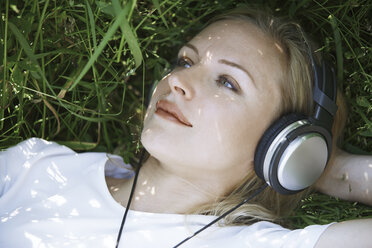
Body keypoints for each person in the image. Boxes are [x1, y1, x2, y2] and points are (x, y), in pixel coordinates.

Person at [1, 8, 371, 248]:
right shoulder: (38, 166)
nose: (178, 79)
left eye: (227, 82)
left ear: (281, 144)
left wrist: (331, 170)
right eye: (186, 60)